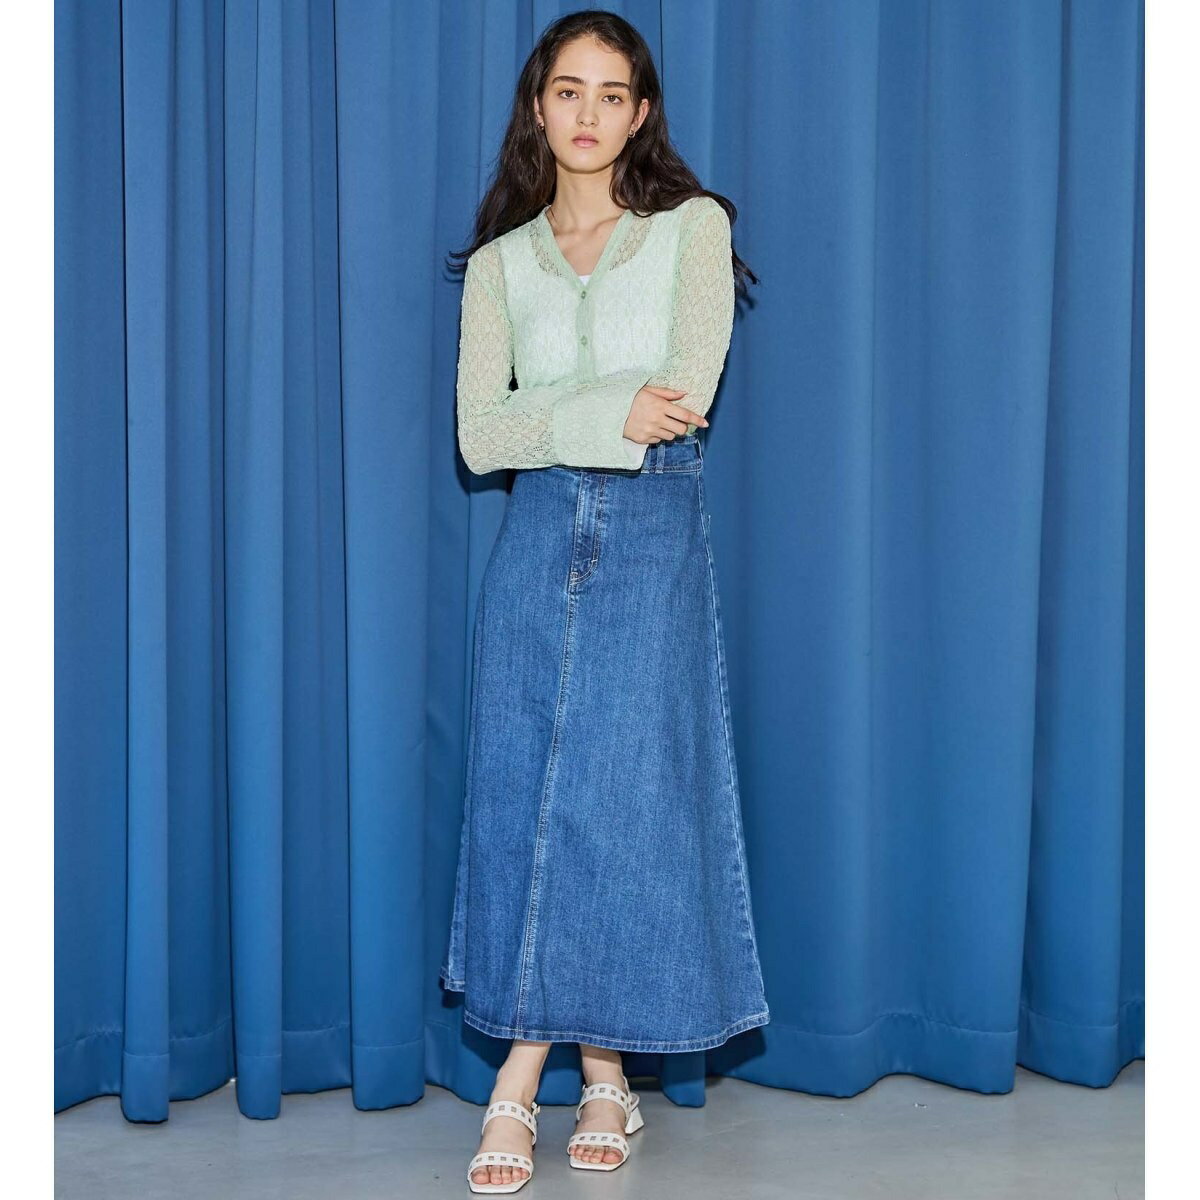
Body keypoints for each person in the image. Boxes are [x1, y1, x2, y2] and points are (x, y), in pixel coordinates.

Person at [441, 10, 769, 1194]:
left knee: (619, 801)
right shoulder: (499, 265)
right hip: (537, 534)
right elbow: (482, 437)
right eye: (568, 90)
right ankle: (607, 1076)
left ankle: (519, 1077)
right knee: (529, 795)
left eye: (612, 93)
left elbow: (681, 396)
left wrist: (578, 412)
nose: (588, 113)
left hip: (650, 531)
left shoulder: (693, 230)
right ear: (539, 107)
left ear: (641, 114)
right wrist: (602, 410)